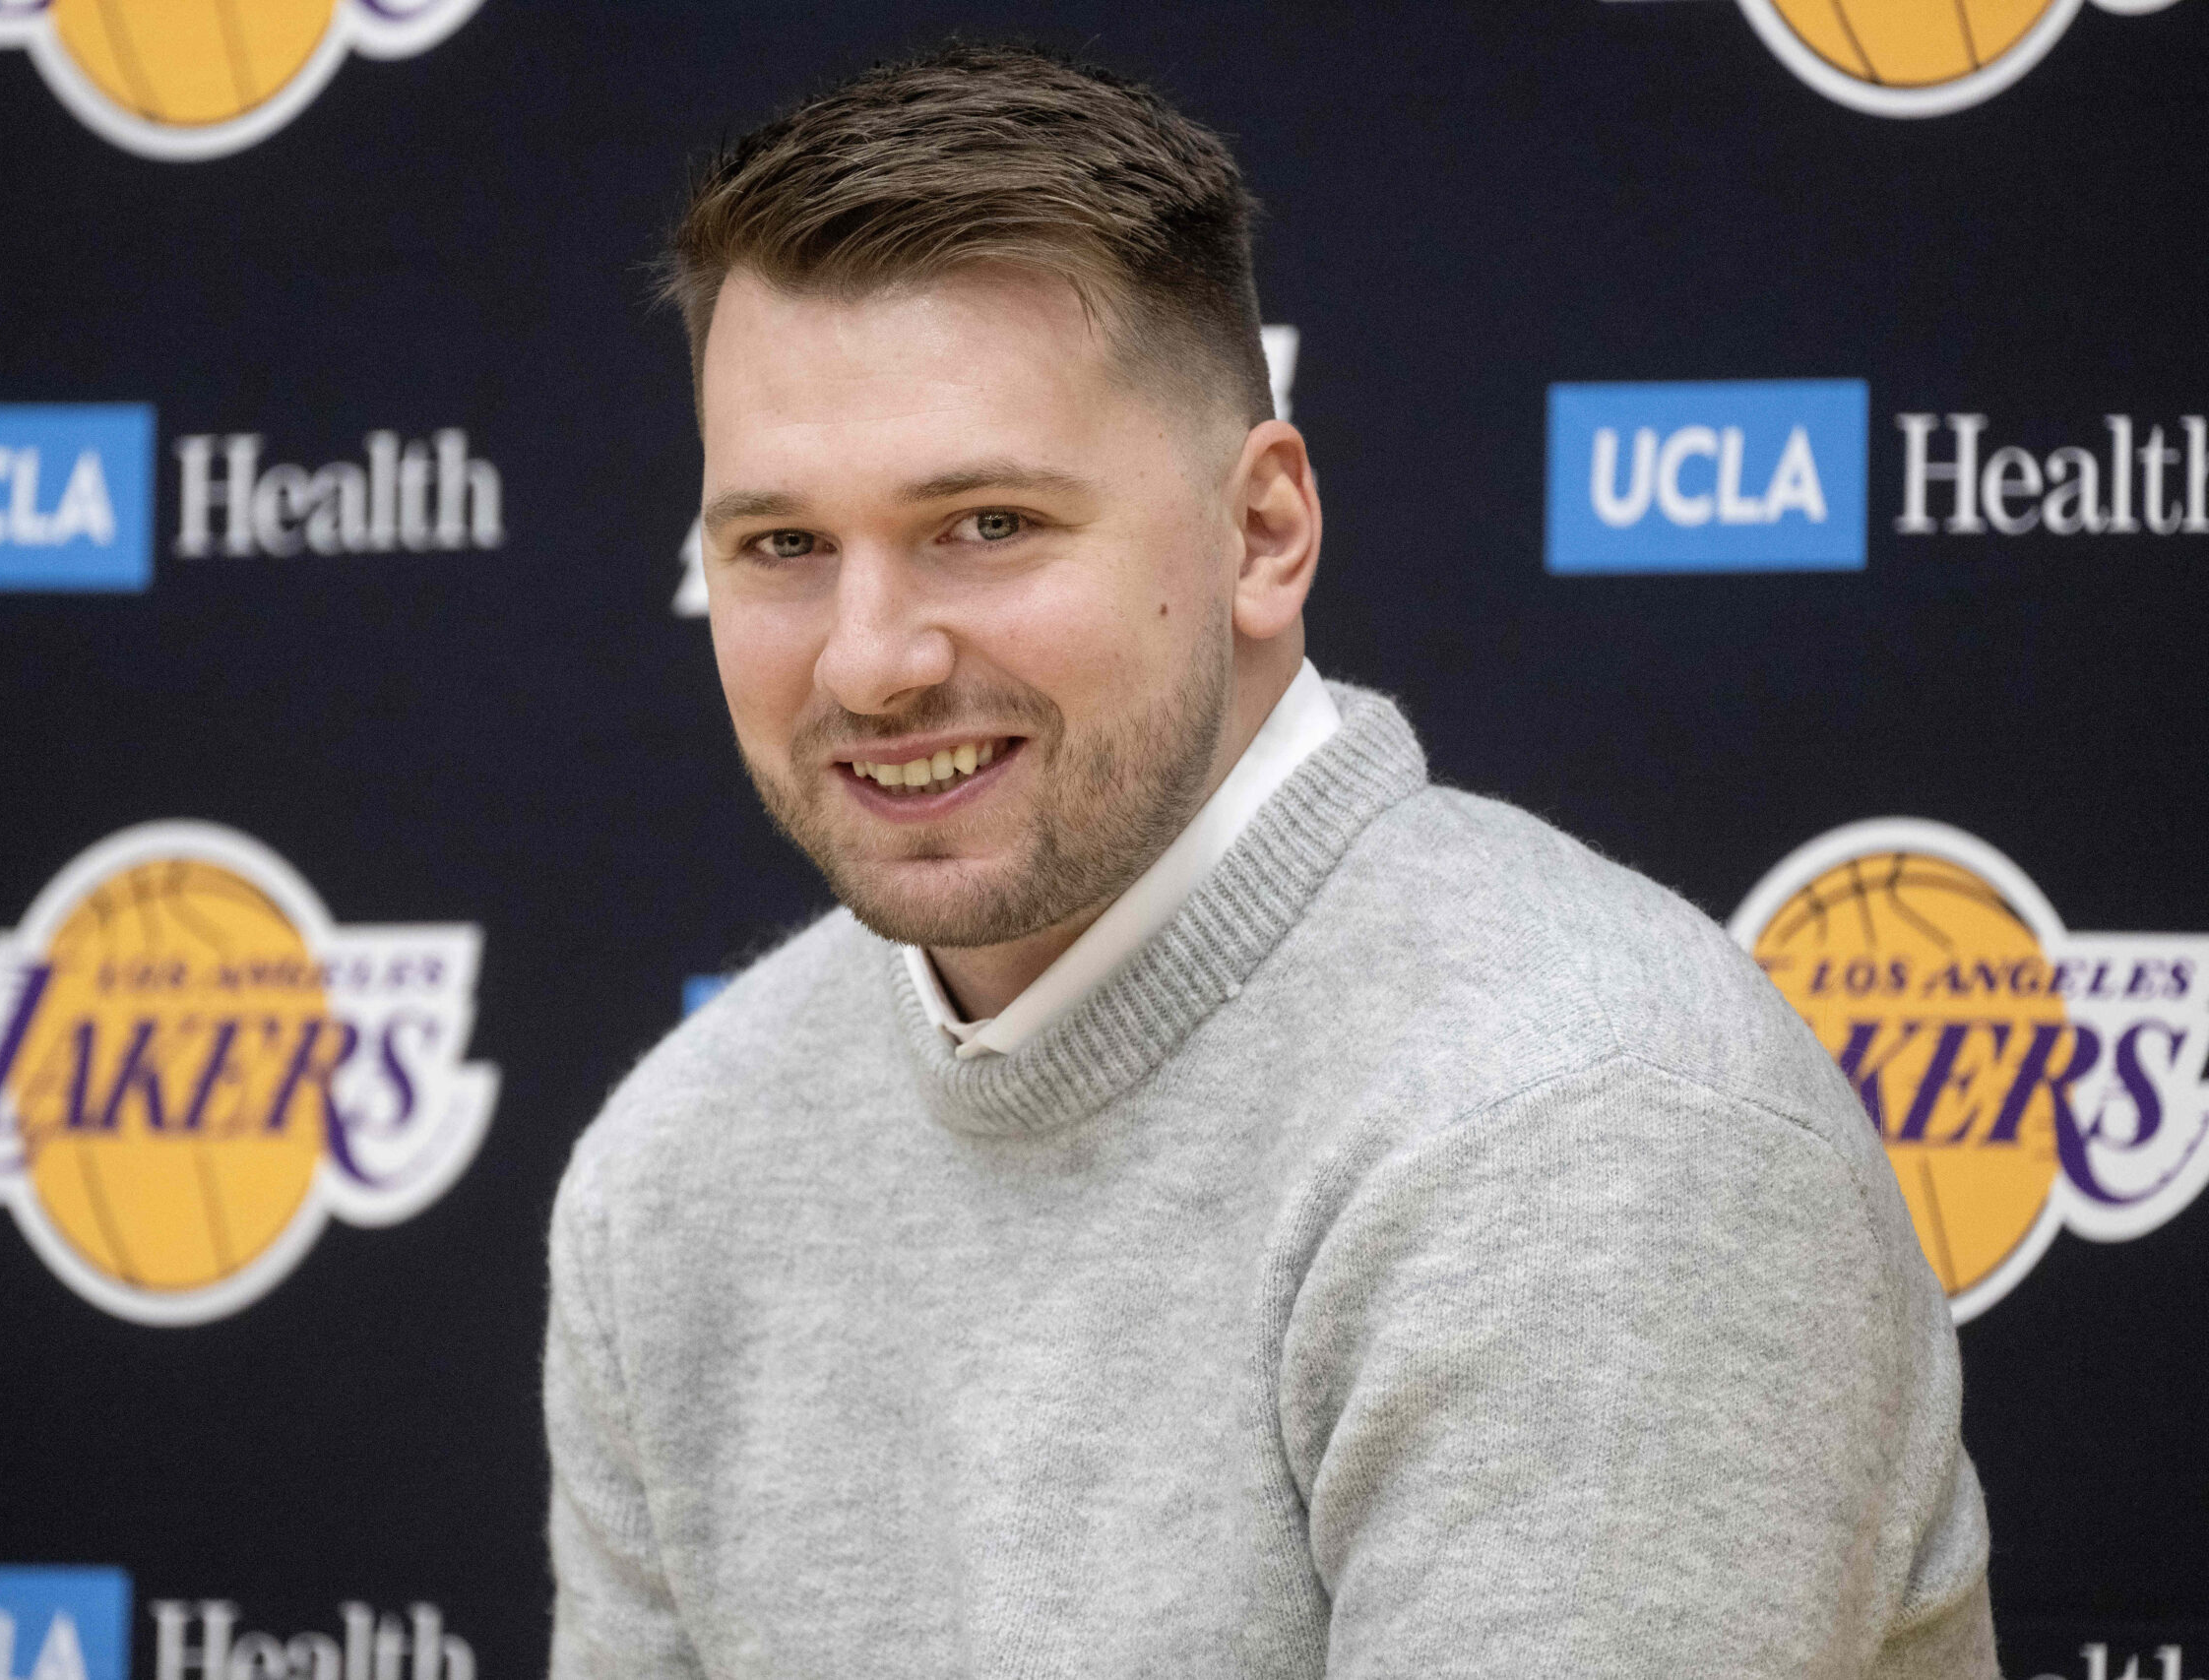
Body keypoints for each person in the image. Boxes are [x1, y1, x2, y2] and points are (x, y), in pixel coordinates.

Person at [543, 42, 1995, 1679]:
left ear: (1264, 533)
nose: (872, 660)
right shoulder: (672, 1166)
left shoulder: (1582, 1124)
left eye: (989, 525)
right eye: (784, 547)